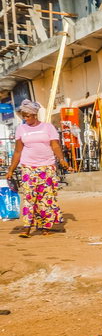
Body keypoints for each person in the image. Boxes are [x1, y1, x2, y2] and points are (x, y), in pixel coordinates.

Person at [5, 99, 69, 238]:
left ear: (35, 115)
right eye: (24, 116)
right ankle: (27, 226)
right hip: (28, 166)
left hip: (47, 166)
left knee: (46, 197)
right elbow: (18, 151)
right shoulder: (21, 129)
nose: (25, 118)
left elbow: (55, 146)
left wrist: (62, 159)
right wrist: (11, 169)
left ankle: (45, 226)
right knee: (29, 197)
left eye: (28, 116)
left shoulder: (48, 127)